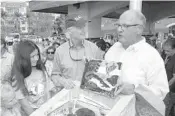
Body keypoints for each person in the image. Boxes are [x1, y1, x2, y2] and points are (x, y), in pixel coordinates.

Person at [105, 9, 169, 104]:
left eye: (125, 26)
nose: (119, 29)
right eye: (118, 25)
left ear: (139, 29)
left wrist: (134, 90)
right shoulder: (113, 49)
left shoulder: (151, 55)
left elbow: (161, 91)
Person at [51, 14, 102, 89]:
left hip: (89, 95)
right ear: (69, 31)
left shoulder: (94, 48)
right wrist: (63, 81)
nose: (83, 30)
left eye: (84, 26)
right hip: (68, 95)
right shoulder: (60, 51)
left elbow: (102, 74)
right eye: (79, 27)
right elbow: (54, 75)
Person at [12, 40, 56, 115]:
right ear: (23, 58)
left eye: (37, 55)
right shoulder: (17, 76)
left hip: (46, 109)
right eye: (32, 56)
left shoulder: (41, 68)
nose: (36, 58)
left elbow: (49, 88)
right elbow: (25, 105)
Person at [162, 38, 175, 116]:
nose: (166, 53)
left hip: (171, 90)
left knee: (166, 109)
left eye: (168, 51)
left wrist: (165, 87)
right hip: (168, 89)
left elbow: (174, 78)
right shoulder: (169, 57)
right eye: (165, 50)